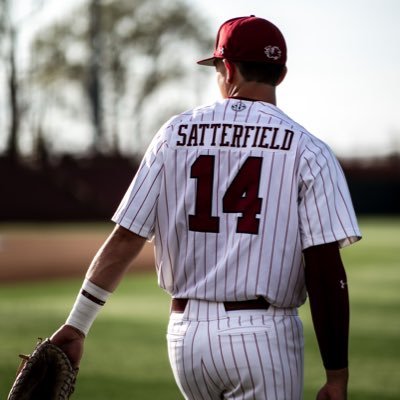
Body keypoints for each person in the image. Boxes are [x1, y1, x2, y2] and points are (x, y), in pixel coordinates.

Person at [51, 15, 361, 400]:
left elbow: (126, 237)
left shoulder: (174, 134)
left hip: (186, 339)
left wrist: (78, 325)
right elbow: (324, 267)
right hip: (262, 337)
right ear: (280, 74)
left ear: (227, 69)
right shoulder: (309, 149)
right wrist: (336, 375)